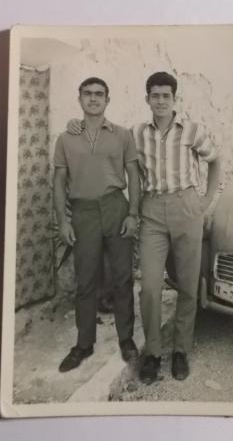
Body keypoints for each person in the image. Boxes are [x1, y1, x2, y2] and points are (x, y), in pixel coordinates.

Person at [68, 72, 220, 383]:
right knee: (150, 287)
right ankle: (152, 352)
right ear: (147, 99)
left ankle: (181, 350)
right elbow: (104, 135)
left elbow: (215, 161)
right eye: (155, 96)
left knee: (187, 285)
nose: (161, 101)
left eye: (166, 96)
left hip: (186, 207)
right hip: (151, 212)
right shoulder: (135, 134)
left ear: (175, 99)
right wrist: (77, 125)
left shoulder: (192, 130)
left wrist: (205, 201)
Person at [53, 77, 140, 372]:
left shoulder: (122, 135)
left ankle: (126, 339)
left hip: (116, 207)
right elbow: (58, 181)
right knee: (86, 280)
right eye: (88, 94)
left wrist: (133, 214)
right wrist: (63, 221)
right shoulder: (66, 138)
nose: (93, 98)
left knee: (122, 277)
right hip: (84, 212)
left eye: (99, 94)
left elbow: (134, 175)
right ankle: (84, 344)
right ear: (79, 99)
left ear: (107, 100)